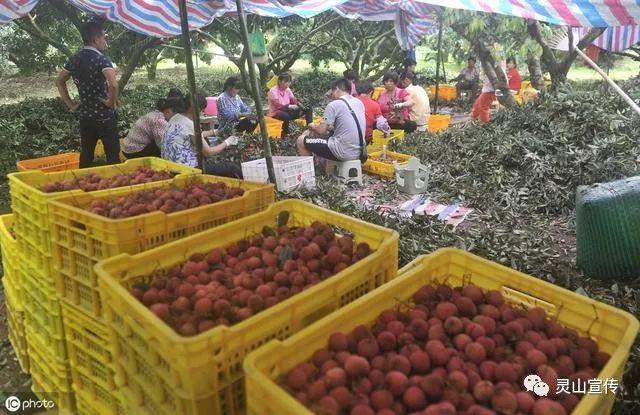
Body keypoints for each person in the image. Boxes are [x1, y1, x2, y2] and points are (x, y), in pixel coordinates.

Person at [55, 19, 119, 168]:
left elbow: (59, 81)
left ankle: (82, 186)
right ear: (95, 38)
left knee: (86, 155)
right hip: (104, 116)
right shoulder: (102, 59)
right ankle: (115, 186)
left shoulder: (74, 59)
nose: (105, 39)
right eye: (104, 36)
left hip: (85, 116)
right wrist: (111, 101)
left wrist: (71, 104)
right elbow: (114, 84)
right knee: (112, 155)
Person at [162, 94, 242, 178]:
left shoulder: (175, 118)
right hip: (187, 170)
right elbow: (208, 152)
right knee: (232, 168)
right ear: (197, 109)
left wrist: (215, 132)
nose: (202, 114)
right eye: (202, 111)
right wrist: (228, 142)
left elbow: (192, 135)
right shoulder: (190, 125)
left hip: (170, 166)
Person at [297, 78, 366, 162]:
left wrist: (312, 126)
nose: (332, 95)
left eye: (332, 92)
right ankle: (325, 168)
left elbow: (321, 130)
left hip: (342, 151)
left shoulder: (333, 105)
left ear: (337, 89)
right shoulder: (359, 103)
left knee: (301, 140)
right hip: (360, 152)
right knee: (327, 138)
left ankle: (310, 172)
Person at [122, 89, 182, 159]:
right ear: (168, 111)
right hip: (133, 151)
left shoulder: (156, 114)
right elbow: (163, 145)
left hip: (128, 146)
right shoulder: (159, 121)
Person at [267, 72, 313, 137]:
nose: (288, 84)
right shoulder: (273, 91)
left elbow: (293, 100)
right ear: (279, 81)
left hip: (289, 111)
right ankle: (285, 133)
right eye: (286, 82)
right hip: (276, 113)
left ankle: (310, 128)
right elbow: (278, 106)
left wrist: (299, 105)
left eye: (289, 82)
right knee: (284, 115)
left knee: (308, 108)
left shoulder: (287, 90)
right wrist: (289, 106)